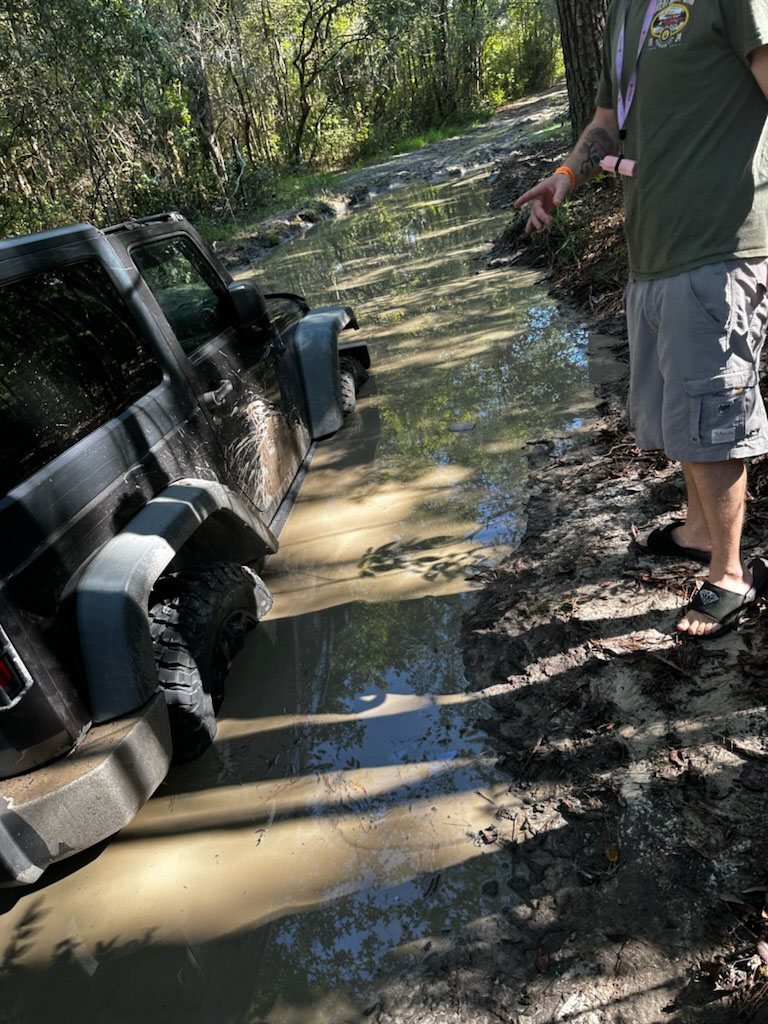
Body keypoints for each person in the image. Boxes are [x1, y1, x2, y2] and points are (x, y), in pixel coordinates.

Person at [515, 0, 768, 639]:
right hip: (650, 252)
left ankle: (729, 575)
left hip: (718, 244)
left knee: (715, 415)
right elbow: (606, 121)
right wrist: (565, 175)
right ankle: (699, 530)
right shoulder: (627, 10)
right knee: (685, 410)